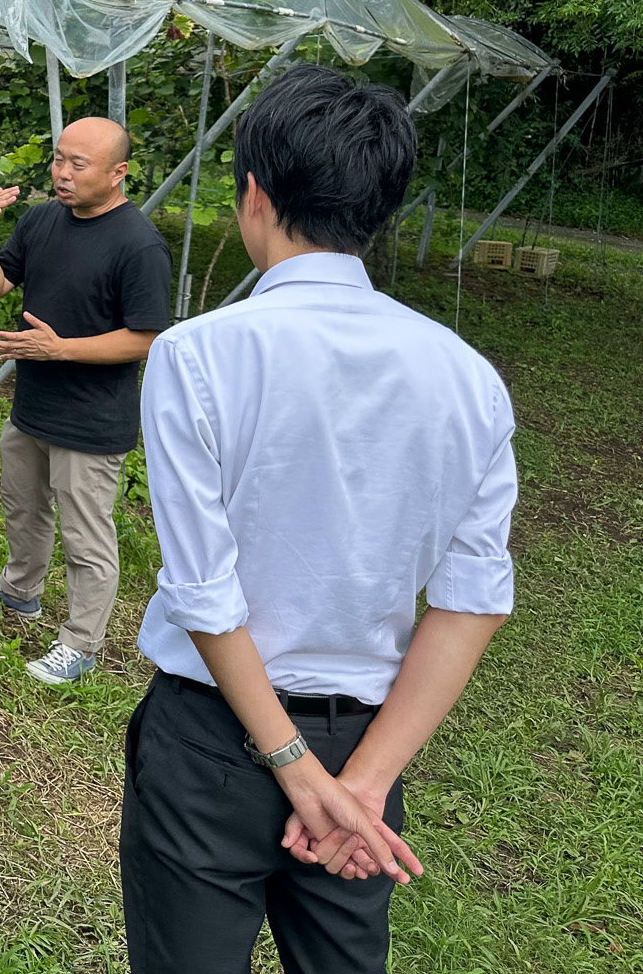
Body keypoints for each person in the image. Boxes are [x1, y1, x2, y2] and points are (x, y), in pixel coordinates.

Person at [121, 65, 517, 974]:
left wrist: (292, 766)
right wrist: (362, 784)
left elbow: (205, 593)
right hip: (370, 745)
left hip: (216, 737)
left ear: (254, 193)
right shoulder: (468, 377)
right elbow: (473, 601)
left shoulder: (199, 355)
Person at [0, 116, 172, 684]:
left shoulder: (139, 244)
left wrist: (62, 350)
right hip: (33, 407)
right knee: (23, 507)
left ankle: (81, 642)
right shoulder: (43, 219)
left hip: (91, 421)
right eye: (59, 159)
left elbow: (146, 337)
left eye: (79, 164)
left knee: (85, 536)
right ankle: (19, 591)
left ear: (118, 173)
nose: (63, 173)